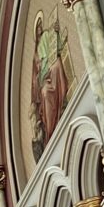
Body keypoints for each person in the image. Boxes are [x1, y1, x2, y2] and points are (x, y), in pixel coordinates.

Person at [30, 10, 72, 161]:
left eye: (41, 26)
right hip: (44, 80)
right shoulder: (35, 53)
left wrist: (56, 32)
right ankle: (50, 130)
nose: (40, 29)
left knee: (57, 65)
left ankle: (62, 103)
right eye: (38, 28)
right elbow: (36, 78)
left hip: (51, 69)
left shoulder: (48, 35)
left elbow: (58, 46)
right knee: (46, 92)